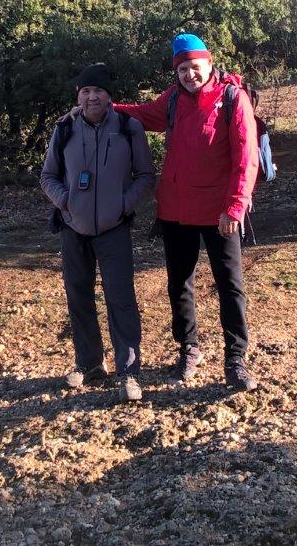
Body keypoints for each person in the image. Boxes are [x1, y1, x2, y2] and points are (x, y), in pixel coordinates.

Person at [113, 34, 261, 391]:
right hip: (176, 209)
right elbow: (143, 114)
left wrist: (235, 205)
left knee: (230, 285)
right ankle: (188, 349)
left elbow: (247, 157)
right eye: (182, 69)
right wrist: (104, 106)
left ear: (209, 64)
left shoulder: (232, 99)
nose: (189, 74)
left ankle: (236, 359)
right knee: (179, 284)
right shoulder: (173, 99)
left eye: (195, 67)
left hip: (219, 213)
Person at [40, 63, 155, 403]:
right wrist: (66, 203)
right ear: (79, 96)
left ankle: (129, 371)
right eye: (86, 91)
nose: (92, 97)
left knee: (121, 299)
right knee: (78, 296)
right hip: (73, 229)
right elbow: (48, 176)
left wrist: (123, 205)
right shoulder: (64, 128)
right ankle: (89, 363)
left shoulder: (128, 127)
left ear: (109, 97)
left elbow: (146, 175)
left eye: (99, 91)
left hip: (114, 228)